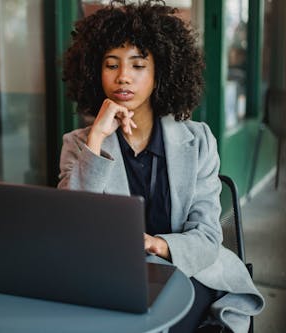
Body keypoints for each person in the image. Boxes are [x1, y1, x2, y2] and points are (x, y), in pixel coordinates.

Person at [57, 1, 264, 332]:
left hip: (188, 272)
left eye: (138, 65)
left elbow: (208, 238)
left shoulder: (199, 142)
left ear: (161, 73)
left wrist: (157, 244)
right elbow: (72, 231)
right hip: (114, 281)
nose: (123, 76)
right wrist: (96, 137)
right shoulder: (79, 144)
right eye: (111, 65)